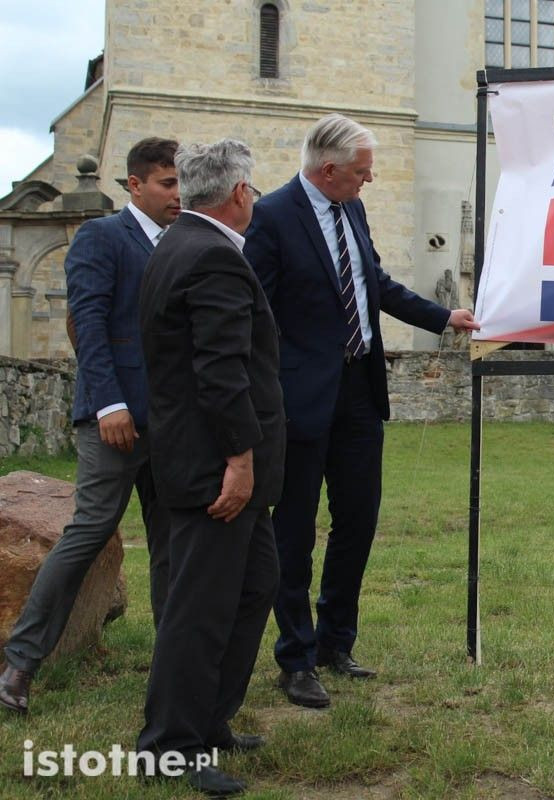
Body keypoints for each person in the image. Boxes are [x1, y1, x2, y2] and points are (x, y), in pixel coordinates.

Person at [243, 114, 480, 709]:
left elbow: (373, 283)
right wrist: (269, 391)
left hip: (358, 392)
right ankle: (295, 658)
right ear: (328, 171)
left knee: (358, 520)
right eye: (361, 172)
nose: (369, 181)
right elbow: (256, 314)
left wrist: (442, 316)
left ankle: (335, 643)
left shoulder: (350, 209)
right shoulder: (271, 218)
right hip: (298, 401)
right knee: (294, 532)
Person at [1, 137, 178, 715]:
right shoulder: (102, 237)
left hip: (175, 423)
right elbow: (89, 325)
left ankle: (176, 669)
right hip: (114, 419)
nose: (178, 194)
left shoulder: (185, 243)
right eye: (167, 183)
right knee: (88, 531)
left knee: (173, 544)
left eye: (181, 183)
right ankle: (19, 664)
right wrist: (108, 405)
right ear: (136, 185)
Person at [136, 139, 284, 797]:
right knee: (200, 608)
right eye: (251, 189)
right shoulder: (212, 257)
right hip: (213, 469)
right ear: (238, 194)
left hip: (202, 460)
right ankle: (170, 744)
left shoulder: (178, 244)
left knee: (253, 587)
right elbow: (220, 372)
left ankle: (209, 719)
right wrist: (240, 460)